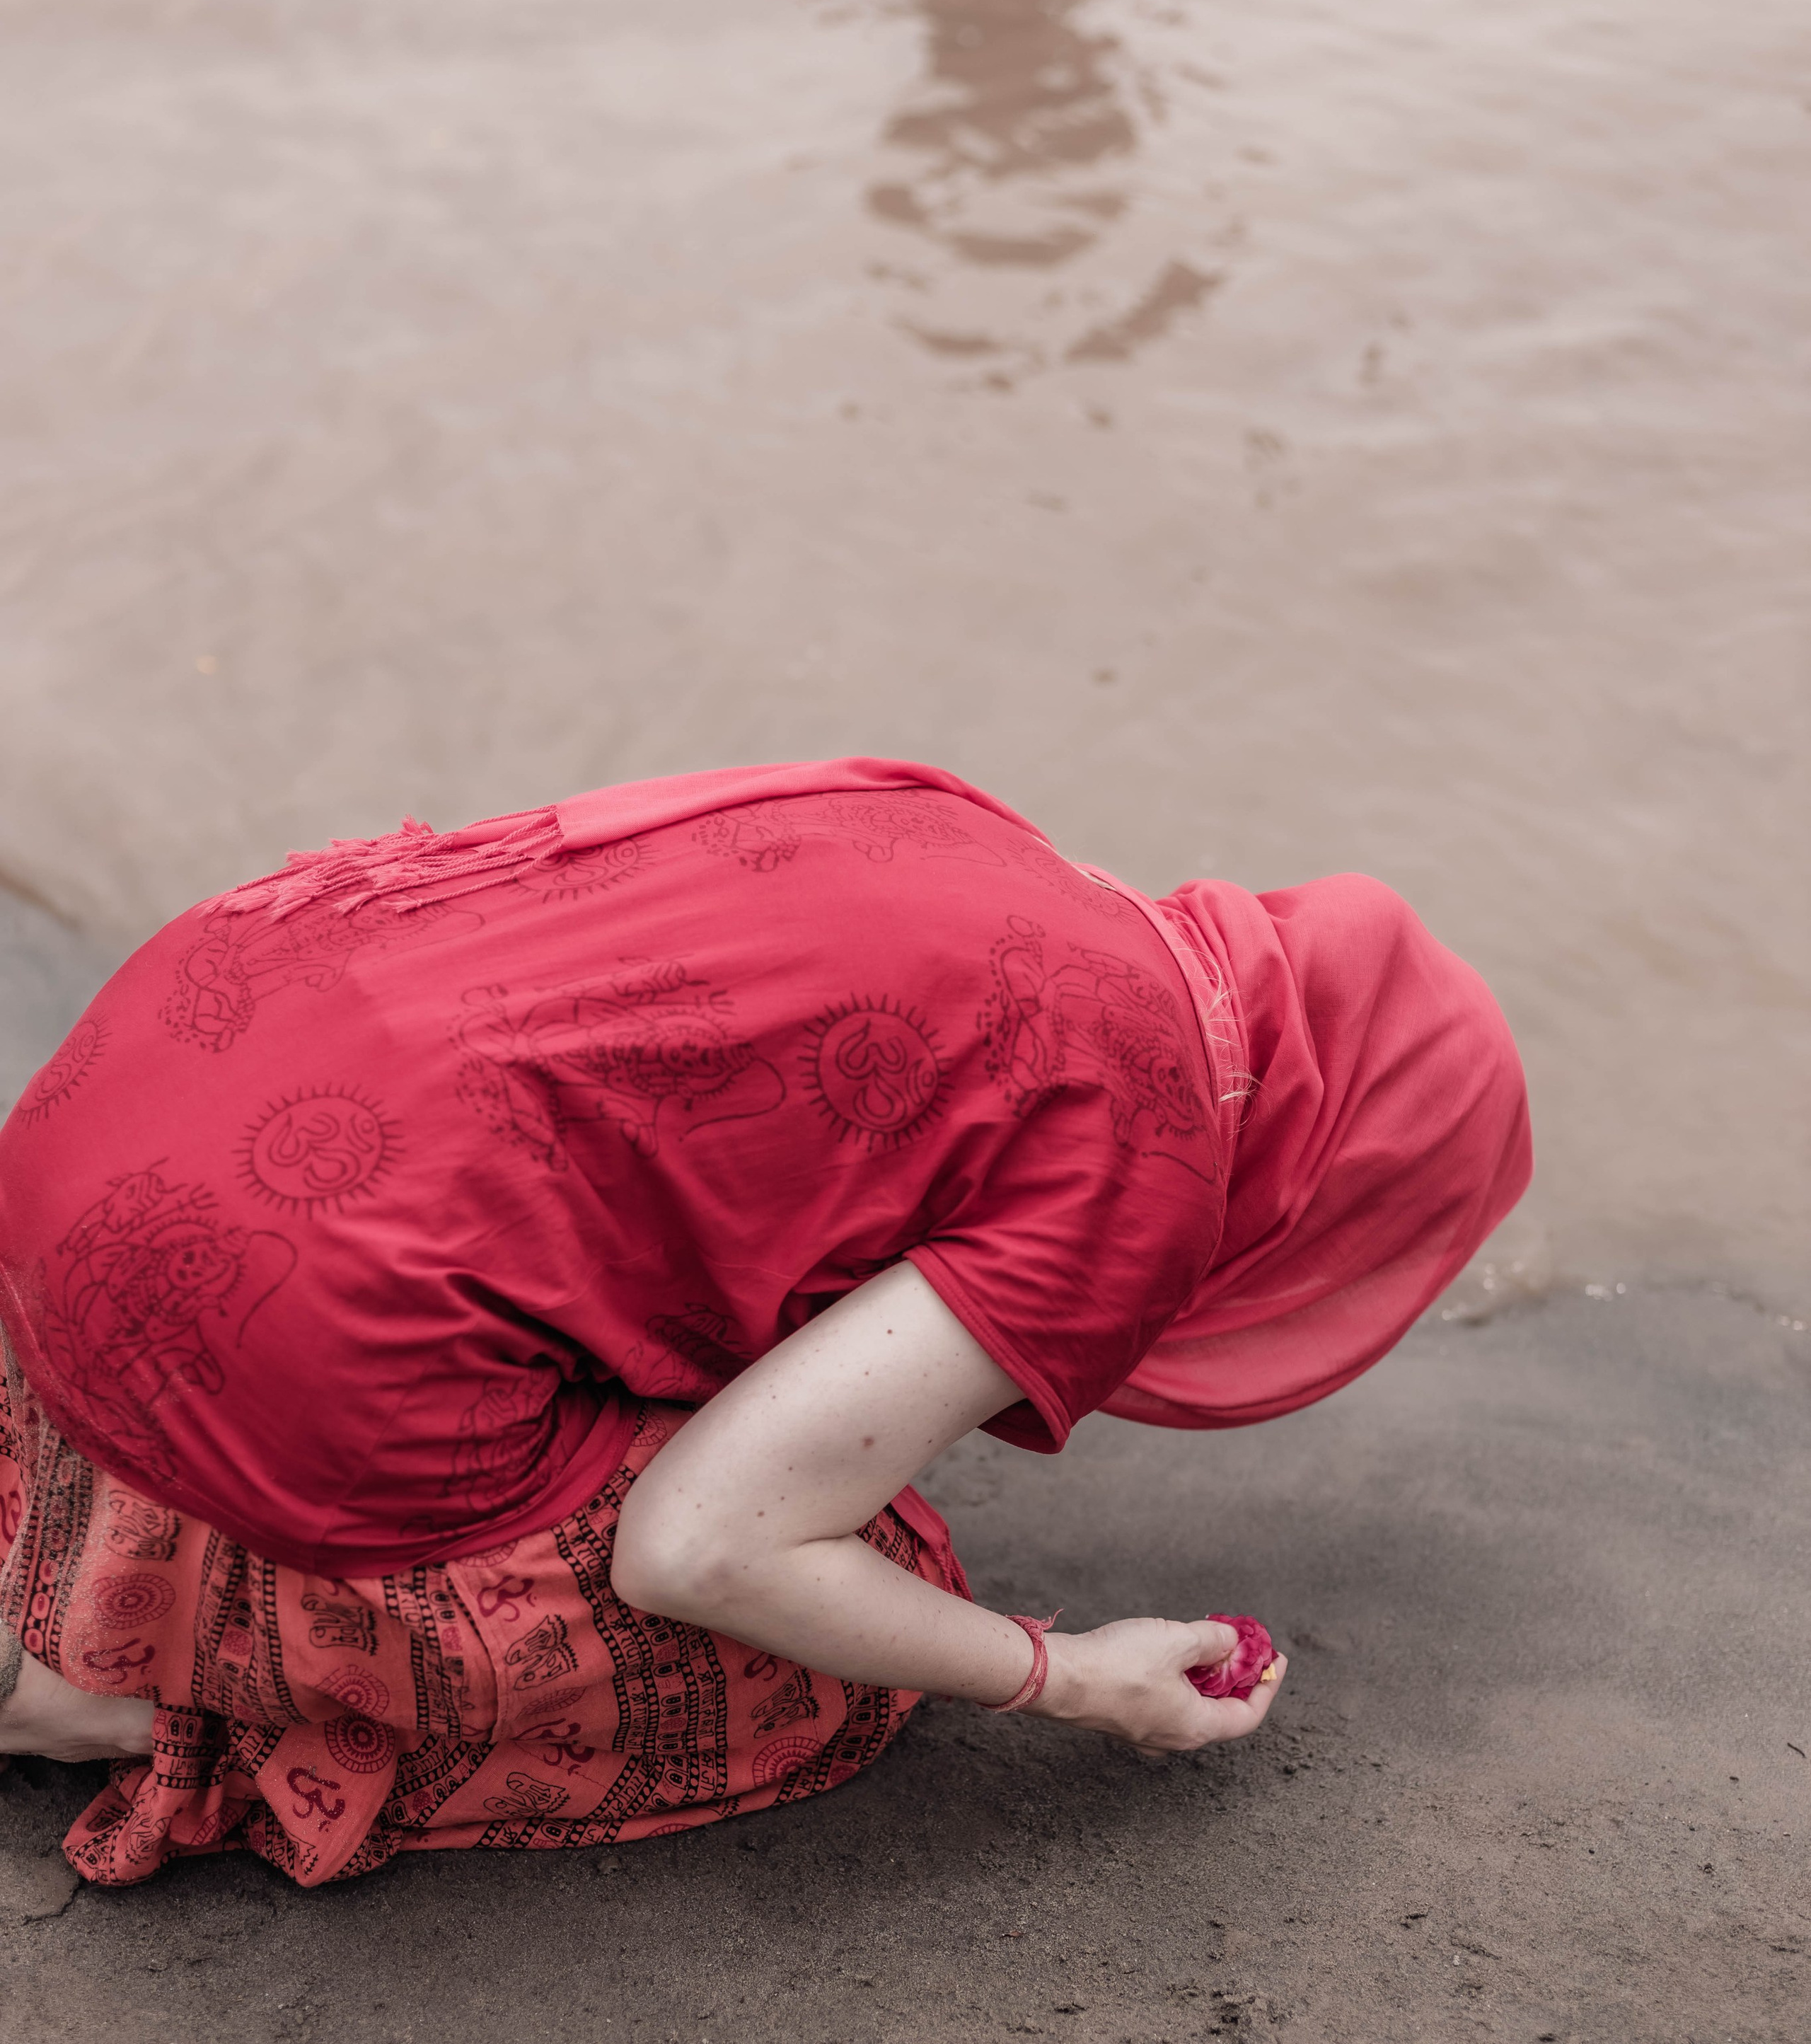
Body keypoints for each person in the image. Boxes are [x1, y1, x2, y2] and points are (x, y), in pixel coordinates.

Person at [0, 758, 1530, 1887]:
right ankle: (124, 1708)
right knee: (838, 1653)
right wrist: (1065, 1678)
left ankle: (101, 1544)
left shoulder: (987, 840)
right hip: (287, 1318)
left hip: (118, 1107)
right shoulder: (1144, 1160)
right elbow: (698, 1547)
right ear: (1333, 1198)